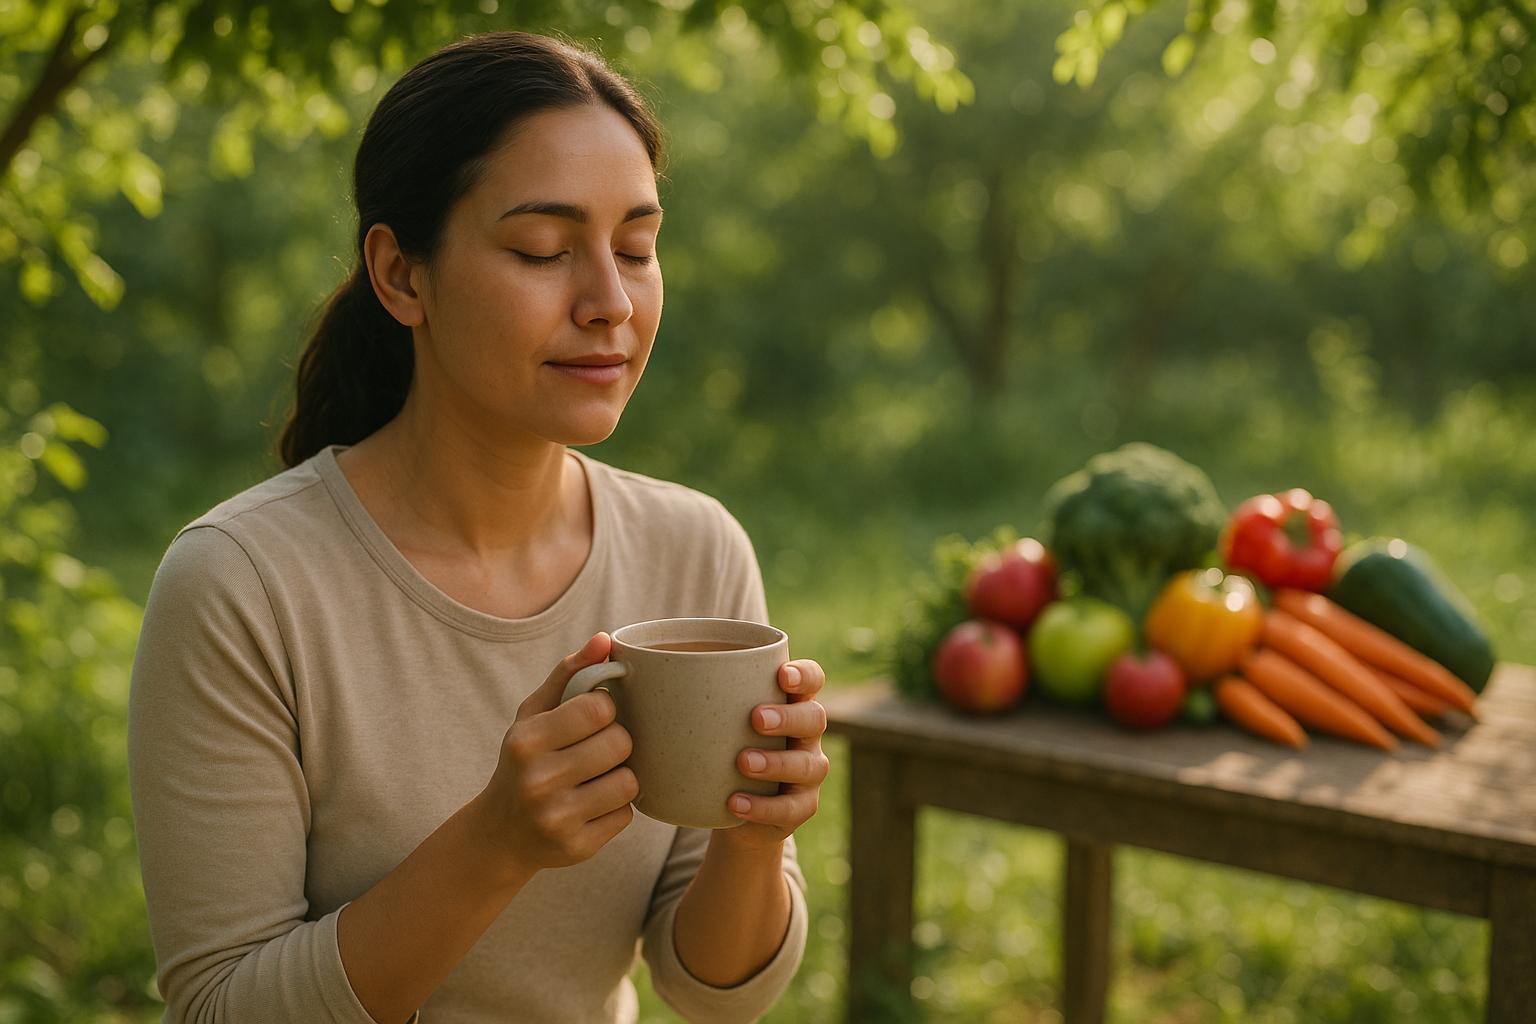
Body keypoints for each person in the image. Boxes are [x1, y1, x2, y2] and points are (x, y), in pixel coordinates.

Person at [126, 30, 829, 1024]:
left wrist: (756, 832)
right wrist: (494, 844)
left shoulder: (695, 550)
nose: (610, 302)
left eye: (636, 246)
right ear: (402, 275)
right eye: (544, 249)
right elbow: (220, 1009)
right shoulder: (243, 584)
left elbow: (712, 989)